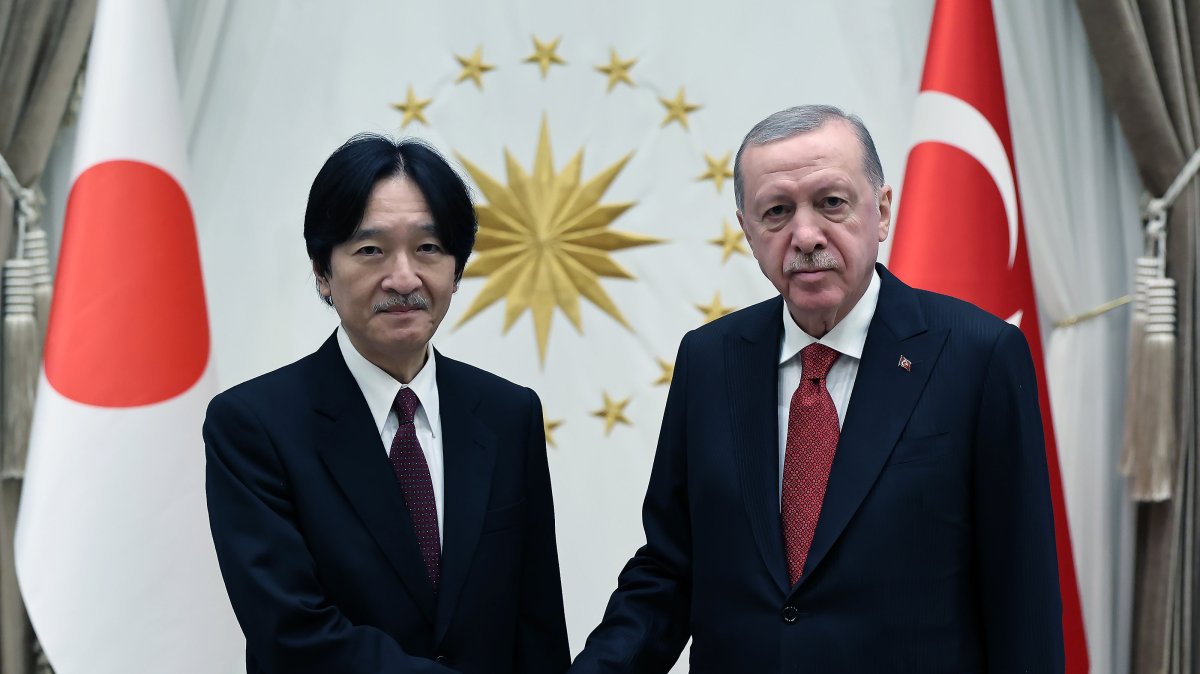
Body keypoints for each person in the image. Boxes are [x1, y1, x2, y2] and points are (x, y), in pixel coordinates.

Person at [569, 105, 1064, 673]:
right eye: (777, 212)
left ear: (881, 212)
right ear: (748, 232)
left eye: (831, 203)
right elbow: (671, 567)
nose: (805, 236)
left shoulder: (979, 355)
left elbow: (1020, 593)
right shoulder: (709, 360)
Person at [204, 134, 570, 674]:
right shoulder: (254, 425)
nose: (404, 278)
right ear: (323, 273)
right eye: (371, 250)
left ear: (457, 268)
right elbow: (292, 632)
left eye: (428, 248)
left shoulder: (508, 414)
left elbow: (535, 624)